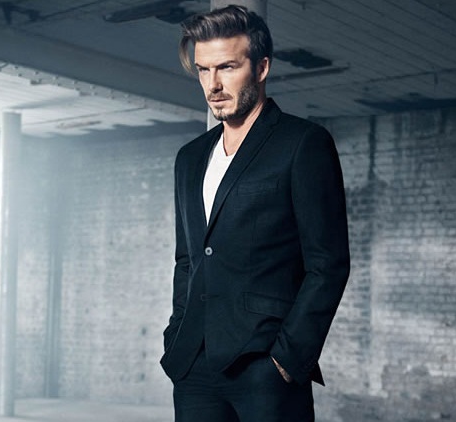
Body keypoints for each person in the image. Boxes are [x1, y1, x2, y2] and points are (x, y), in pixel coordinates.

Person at [159, 5, 350, 422]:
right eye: (203, 70)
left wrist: (287, 359)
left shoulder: (303, 144)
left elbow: (328, 264)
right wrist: (176, 334)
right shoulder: (190, 157)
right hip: (193, 366)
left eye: (227, 67)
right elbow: (187, 259)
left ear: (261, 68)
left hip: (265, 367)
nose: (213, 85)